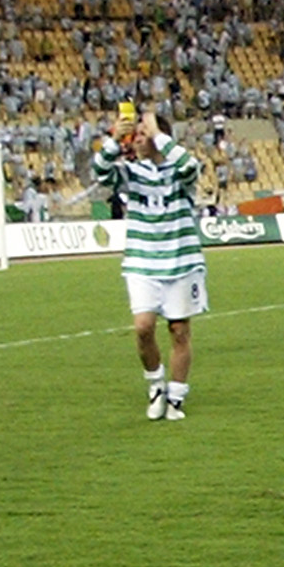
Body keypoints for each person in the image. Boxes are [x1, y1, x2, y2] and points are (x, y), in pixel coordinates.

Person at [90, 110, 206, 420]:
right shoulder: (132, 173)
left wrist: (159, 135)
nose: (136, 139)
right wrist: (114, 139)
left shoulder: (179, 172)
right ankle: (156, 384)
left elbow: (190, 165)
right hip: (142, 262)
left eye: (142, 134)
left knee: (179, 331)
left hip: (181, 260)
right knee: (143, 327)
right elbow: (100, 171)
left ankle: (177, 396)